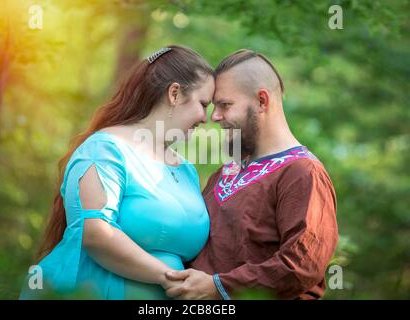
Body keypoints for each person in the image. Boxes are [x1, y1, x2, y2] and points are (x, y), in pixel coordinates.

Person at [19, 45, 215, 299]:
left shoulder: (187, 170)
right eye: (203, 104)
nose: (206, 118)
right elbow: (96, 234)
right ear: (175, 93)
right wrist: (168, 278)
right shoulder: (105, 149)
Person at [165, 49, 339, 300]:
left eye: (225, 105)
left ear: (262, 101)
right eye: (214, 106)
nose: (214, 117)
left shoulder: (303, 173)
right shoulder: (225, 173)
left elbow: (301, 266)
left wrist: (219, 287)